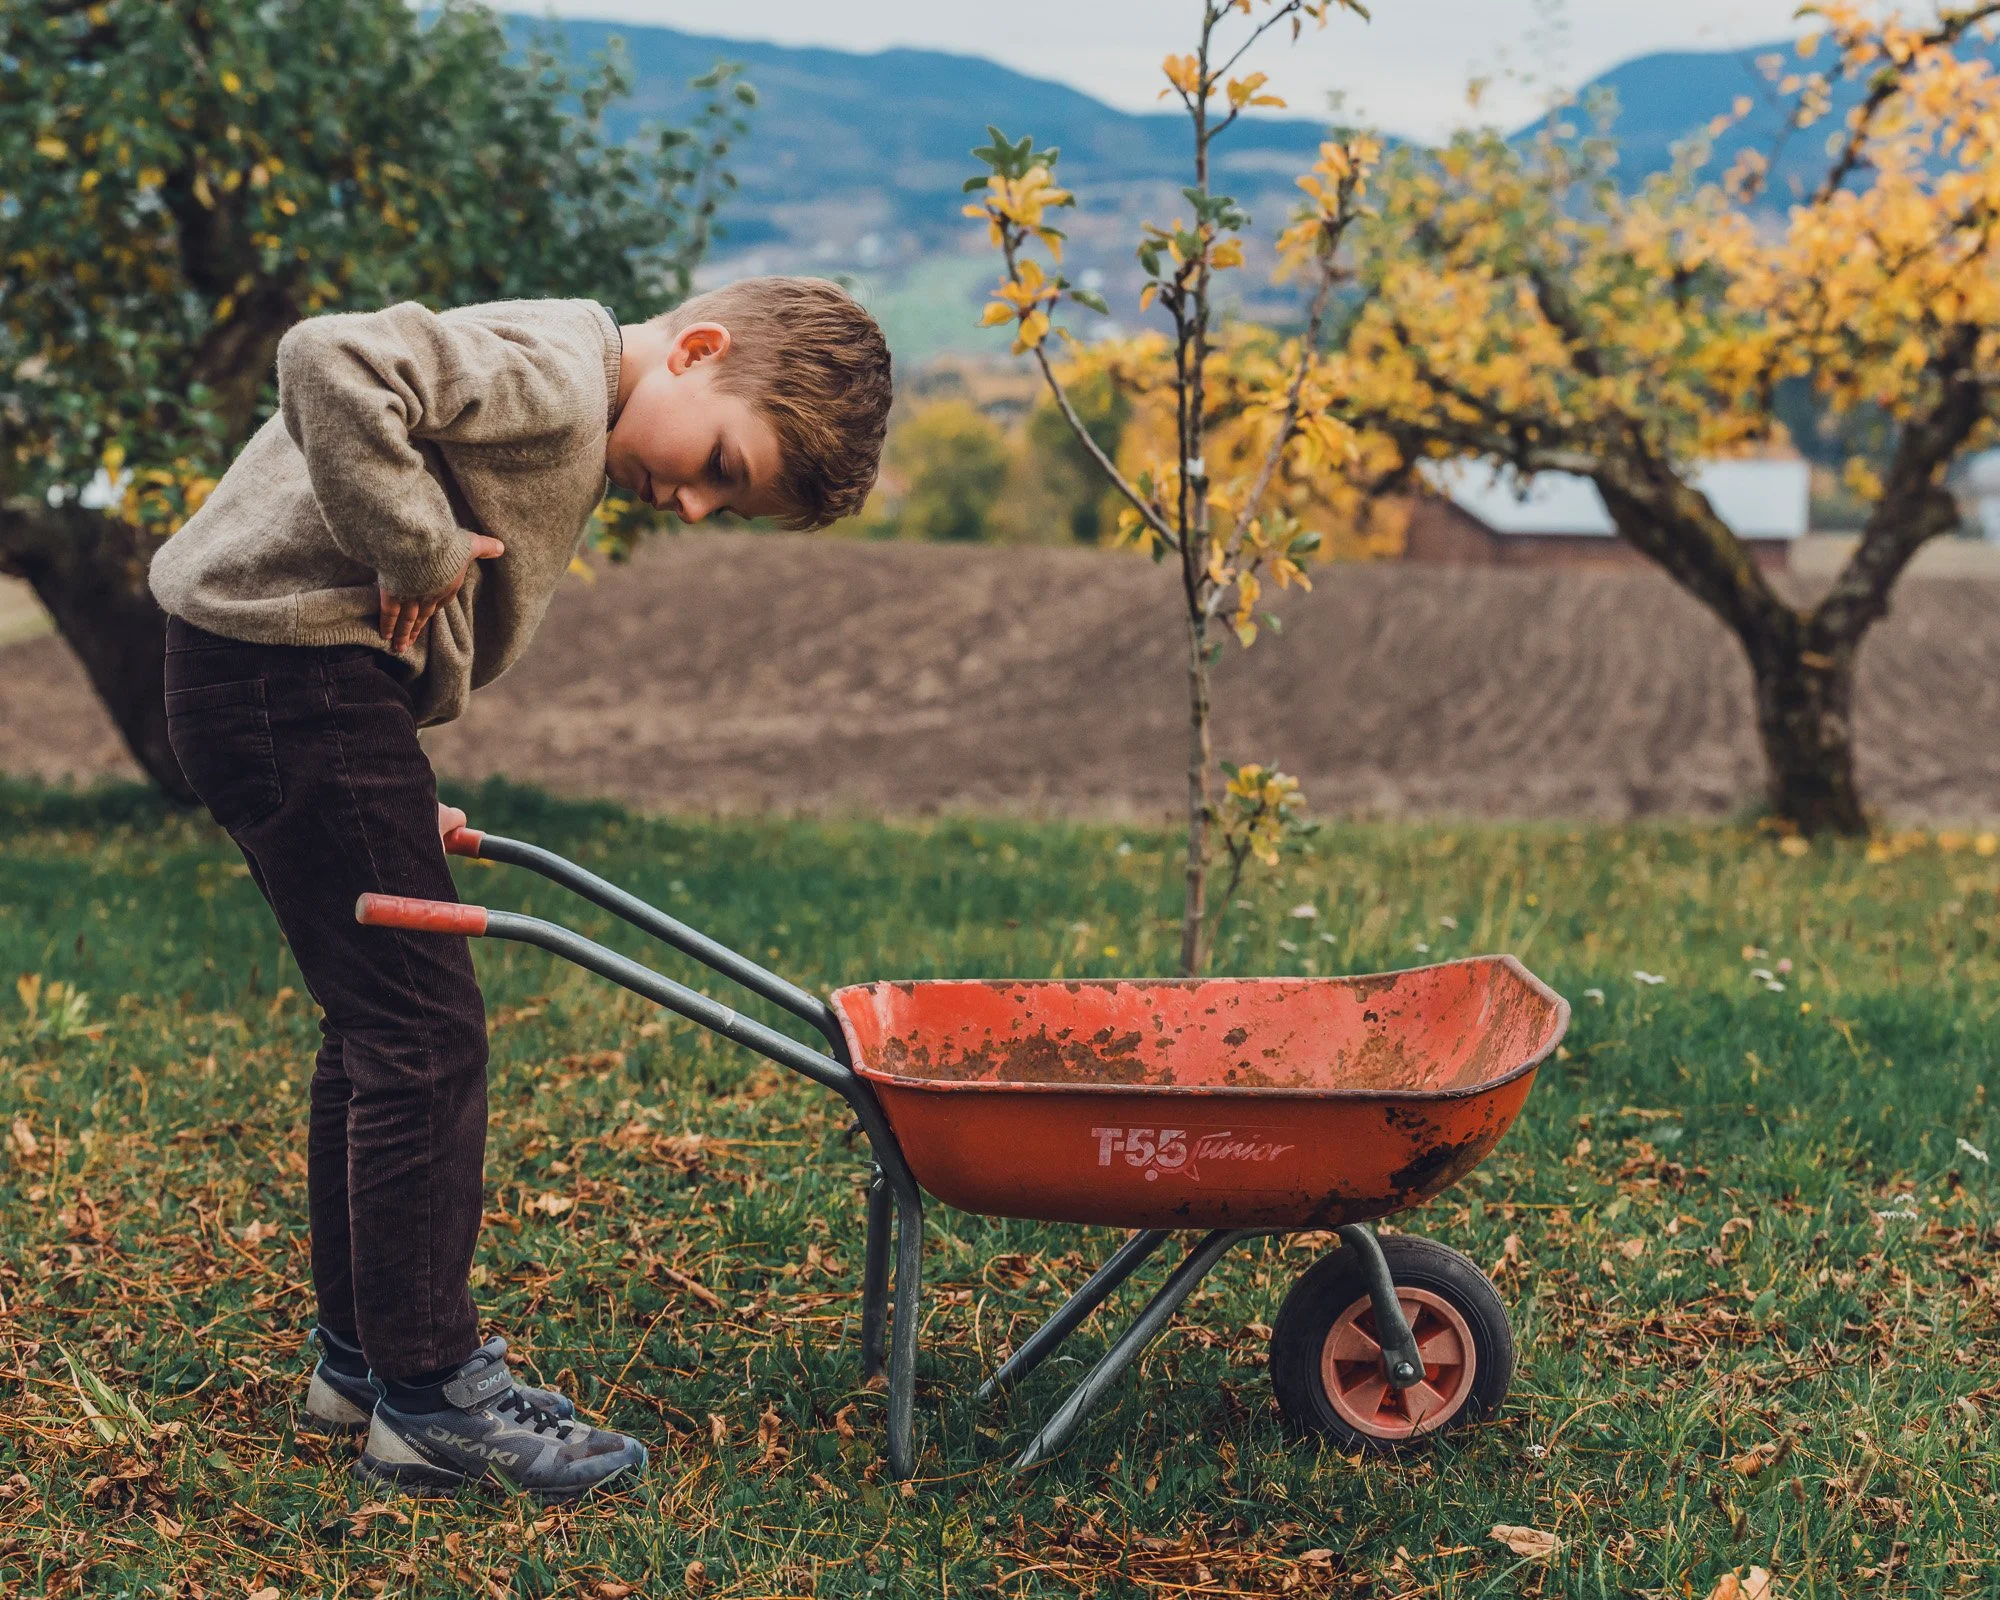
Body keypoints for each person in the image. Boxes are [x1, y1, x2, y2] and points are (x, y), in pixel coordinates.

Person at [149, 279, 892, 1501]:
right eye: (718, 461)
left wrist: (382, 788)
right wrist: (419, 548)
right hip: (291, 680)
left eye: (727, 503)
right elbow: (328, 358)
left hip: (293, 687)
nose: (697, 505)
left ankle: (363, 1364)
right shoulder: (559, 375)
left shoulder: (569, 387)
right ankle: (433, 1397)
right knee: (423, 1038)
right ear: (696, 350)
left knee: (377, 1024)